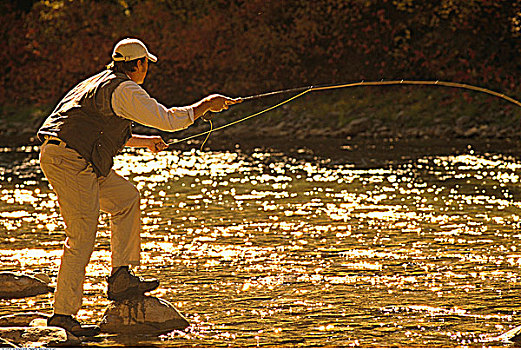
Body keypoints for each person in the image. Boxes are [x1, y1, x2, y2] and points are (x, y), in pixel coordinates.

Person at [37, 38, 241, 336]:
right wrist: (205, 105)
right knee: (81, 235)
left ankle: (121, 277)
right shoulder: (125, 89)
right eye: (147, 64)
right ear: (140, 64)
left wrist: (145, 142)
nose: (148, 69)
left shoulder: (97, 83)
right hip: (71, 160)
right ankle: (63, 316)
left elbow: (97, 127)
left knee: (126, 198)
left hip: (73, 156)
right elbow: (168, 120)